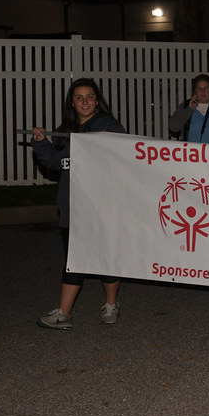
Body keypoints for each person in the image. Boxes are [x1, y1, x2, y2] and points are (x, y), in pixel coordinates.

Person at [32, 78, 127, 330]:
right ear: (72, 103)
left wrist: (112, 140)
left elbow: (127, 154)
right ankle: (63, 313)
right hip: (73, 206)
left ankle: (111, 304)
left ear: (97, 100)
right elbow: (55, 164)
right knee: (73, 259)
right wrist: (41, 143)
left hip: (102, 205)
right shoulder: (65, 129)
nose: (85, 102)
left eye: (89, 96)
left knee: (107, 256)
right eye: (79, 97)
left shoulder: (109, 125)